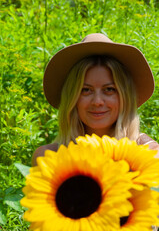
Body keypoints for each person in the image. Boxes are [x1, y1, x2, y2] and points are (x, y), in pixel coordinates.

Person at [32, 33, 159, 166]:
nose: (97, 101)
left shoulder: (150, 156)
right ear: (72, 98)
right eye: (86, 90)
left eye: (109, 89)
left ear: (125, 97)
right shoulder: (48, 158)